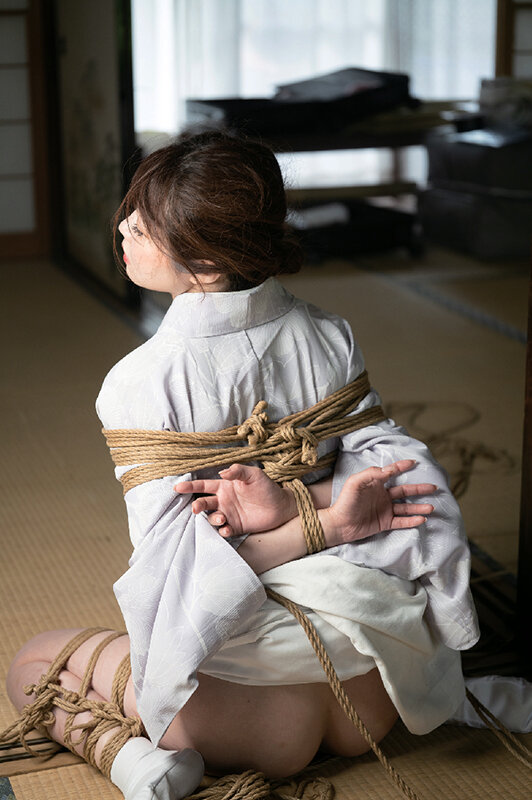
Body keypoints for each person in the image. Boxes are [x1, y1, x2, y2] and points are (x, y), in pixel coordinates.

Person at [5, 131, 483, 800]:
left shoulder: (140, 382)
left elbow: (174, 573)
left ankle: (138, 766)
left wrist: (311, 524)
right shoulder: (330, 334)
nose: (123, 228)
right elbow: (404, 490)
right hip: (376, 690)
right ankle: (467, 697)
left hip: (255, 719)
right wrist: (317, 508)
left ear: (203, 257)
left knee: (32, 664)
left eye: (141, 225)